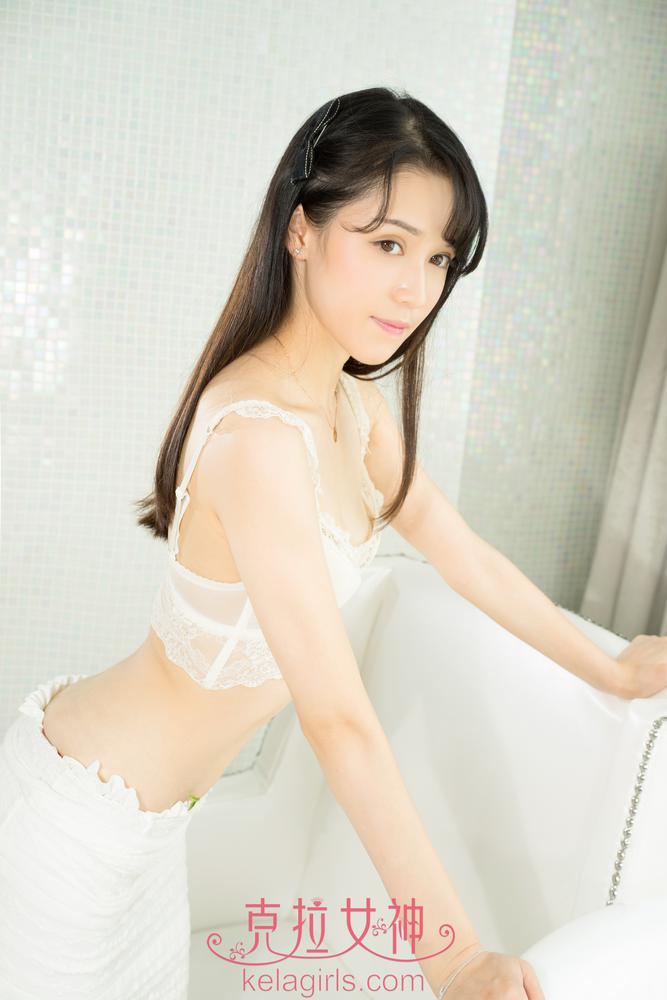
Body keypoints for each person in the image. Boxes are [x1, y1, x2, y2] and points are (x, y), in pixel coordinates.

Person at [2, 85, 665, 1000]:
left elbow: (464, 557)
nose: (415, 288)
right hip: (80, 827)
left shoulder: (351, 409)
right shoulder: (258, 438)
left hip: (152, 832)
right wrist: (452, 957)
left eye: (437, 257)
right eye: (387, 243)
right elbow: (338, 722)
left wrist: (611, 669)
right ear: (300, 230)